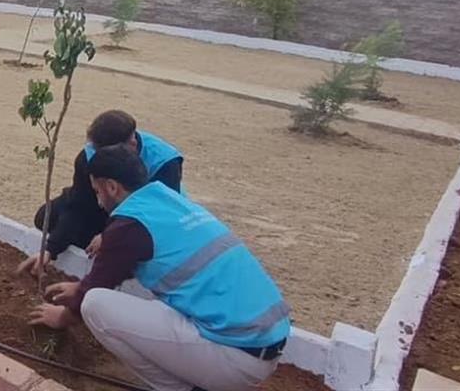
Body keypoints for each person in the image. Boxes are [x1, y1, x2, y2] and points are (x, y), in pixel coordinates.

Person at [30, 145, 289, 391]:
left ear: (111, 187)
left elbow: (94, 290)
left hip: (236, 357)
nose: (98, 202)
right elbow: (130, 266)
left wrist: (62, 316)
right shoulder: (166, 200)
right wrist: (79, 286)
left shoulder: (128, 224)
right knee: (138, 293)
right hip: (265, 341)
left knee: (94, 304)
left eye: (97, 192)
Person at [18, 110, 182, 277]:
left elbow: (162, 214)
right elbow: (79, 206)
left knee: (131, 248)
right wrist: (49, 250)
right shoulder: (90, 154)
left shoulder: (164, 162)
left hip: (145, 217)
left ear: (131, 144)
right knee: (46, 216)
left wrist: (110, 235)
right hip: (105, 208)